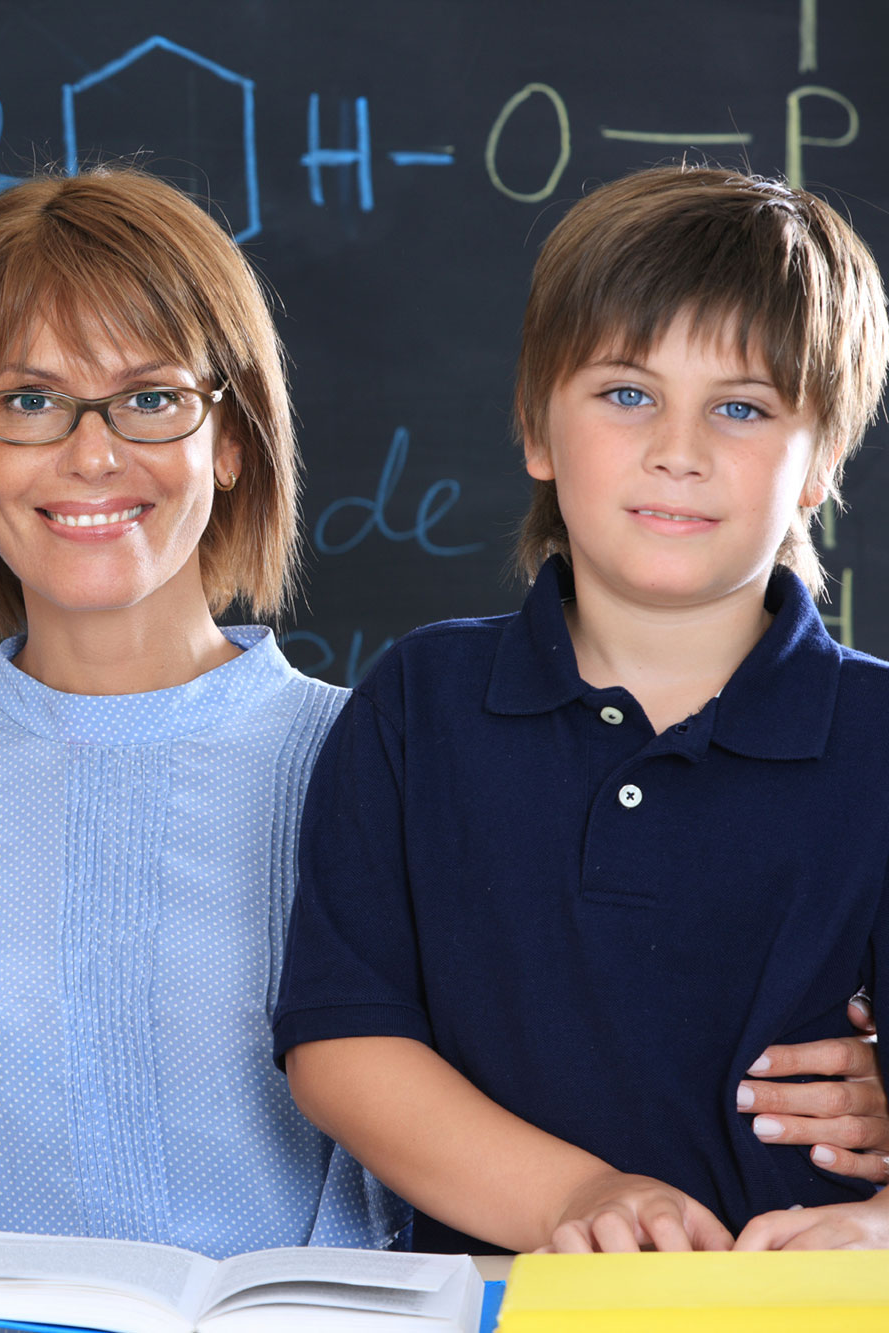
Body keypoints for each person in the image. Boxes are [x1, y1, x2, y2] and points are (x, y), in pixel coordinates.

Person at [278, 165, 889, 1253]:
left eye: (740, 408)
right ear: (534, 428)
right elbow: (342, 1043)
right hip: (486, 1310)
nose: (678, 449)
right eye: (624, 393)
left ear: (820, 462)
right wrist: (575, 1197)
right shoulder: (420, 709)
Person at [0, 165, 407, 1263]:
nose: (91, 454)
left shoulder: (369, 763)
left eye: (149, 397)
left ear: (228, 440)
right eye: (28, 400)